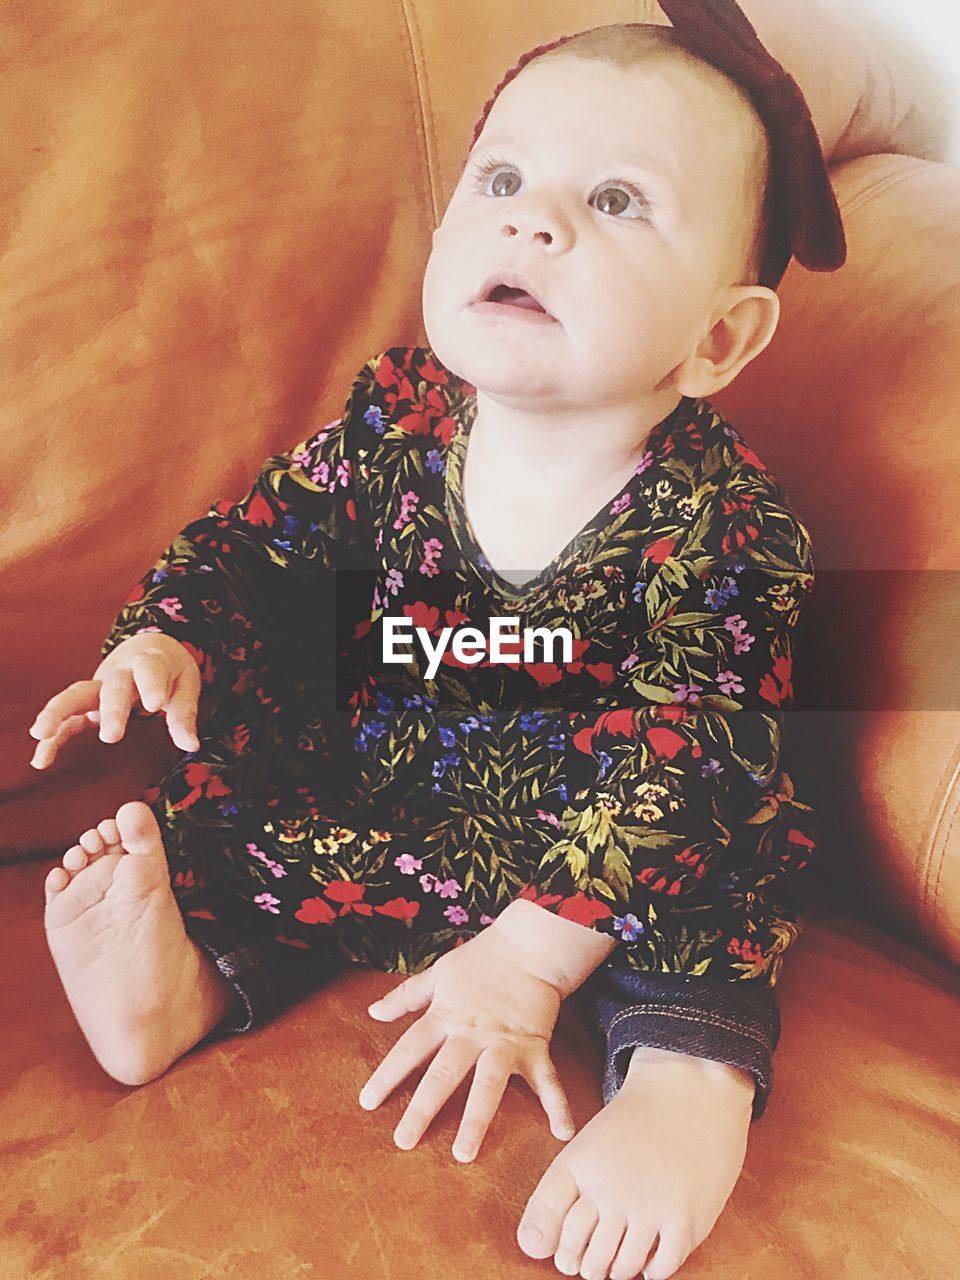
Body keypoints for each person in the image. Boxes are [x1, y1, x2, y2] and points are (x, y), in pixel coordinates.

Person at [31, 9, 842, 1280]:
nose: (535, 222)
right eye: (505, 180)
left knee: (716, 878)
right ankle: (193, 978)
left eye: (618, 199)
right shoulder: (396, 414)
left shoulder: (726, 530)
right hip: (401, 786)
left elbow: (679, 761)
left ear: (719, 338)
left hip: (615, 844)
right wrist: (170, 633)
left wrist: (526, 959)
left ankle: (688, 1072)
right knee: (249, 782)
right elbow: (258, 535)